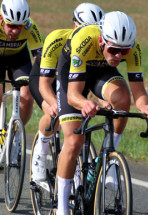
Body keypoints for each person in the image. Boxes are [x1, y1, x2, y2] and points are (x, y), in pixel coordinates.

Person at [53, 11, 148, 215]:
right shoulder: (84, 40)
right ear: (101, 40)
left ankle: (109, 159)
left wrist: (147, 107)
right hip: (71, 75)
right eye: (114, 50)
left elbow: (139, 93)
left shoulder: (131, 48)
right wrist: (84, 102)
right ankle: (61, 211)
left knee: (123, 98)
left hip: (101, 72)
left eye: (125, 52)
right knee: (73, 141)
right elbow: (73, 94)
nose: (119, 55)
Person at [28, 3, 105, 182]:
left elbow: (92, 79)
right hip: (44, 79)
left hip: (70, 81)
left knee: (76, 123)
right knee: (53, 112)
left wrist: (102, 99)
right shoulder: (57, 39)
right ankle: (41, 151)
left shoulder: (93, 46)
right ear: (75, 26)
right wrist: (55, 103)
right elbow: (44, 85)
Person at [0, 0, 43, 176]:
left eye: (19, 27)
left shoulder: (30, 26)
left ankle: (15, 138)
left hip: (19, 60)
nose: (15, 31)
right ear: (2, 19)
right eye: (11, 26)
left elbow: (41, 62)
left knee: (27, 97)